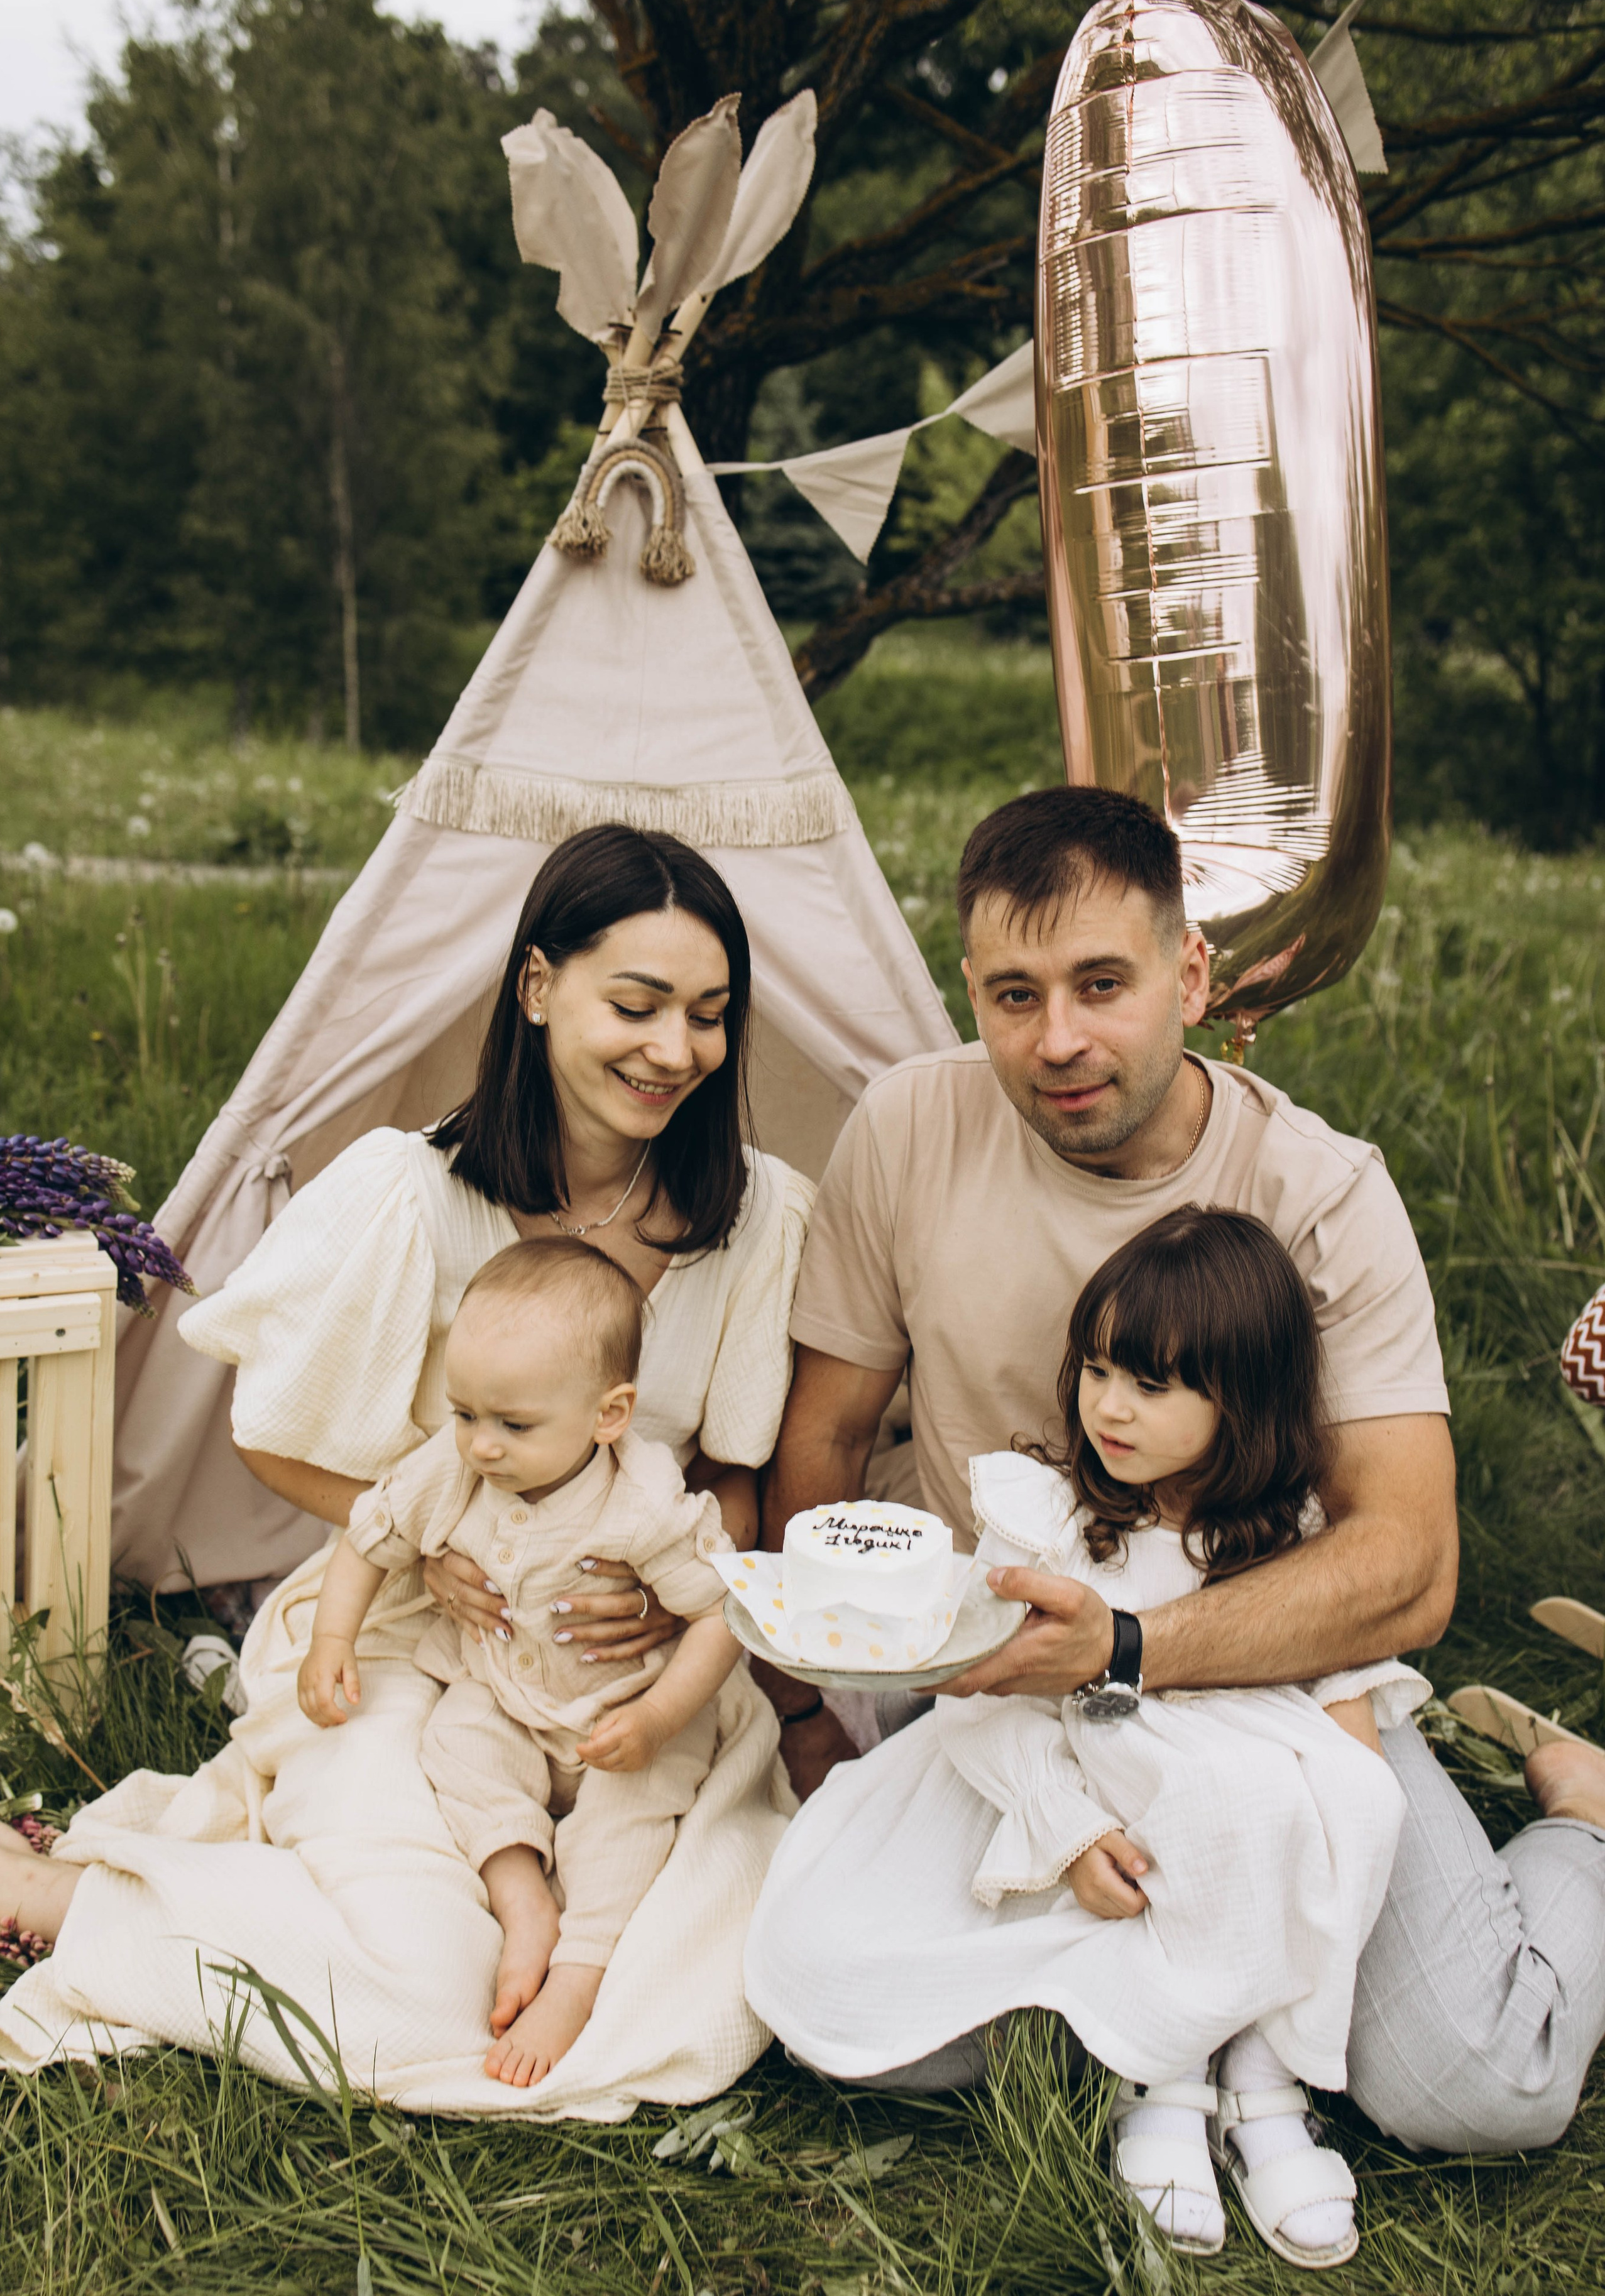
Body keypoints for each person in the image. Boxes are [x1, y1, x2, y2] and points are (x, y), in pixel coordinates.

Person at [757, 785, 1605, 2154]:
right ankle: (1205, 2023)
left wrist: (1126, 1647)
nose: (1059, 1040)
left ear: (1191, 972)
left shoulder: (1320, 1190)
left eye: (1102, 983)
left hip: (1262, 1684)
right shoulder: (907, 1128)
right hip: (995, 1695)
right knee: (850, 2024)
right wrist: (806, 1709)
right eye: (1012, 996)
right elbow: (822, 1444)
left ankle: (1577, 1818)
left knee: (1472, 2088)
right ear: (966, 991)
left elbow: (1407, 1564)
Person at [0, 825, 811, 2113]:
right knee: (436, 1981)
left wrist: (667, 1605)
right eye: (636, 1005)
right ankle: (70, 1899)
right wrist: (432, 1544)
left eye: (709, 1017)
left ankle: (506, 1923)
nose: (675, 1051)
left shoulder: (756, 1214)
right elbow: (273, 1433)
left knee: (694, 1965)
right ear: (539, 990)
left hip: (636, 1669)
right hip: (413, 1634)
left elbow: (735, 1478)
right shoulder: (410, 1193)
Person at [754, 1206, 1431, 2267]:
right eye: (1100, 1369)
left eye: (1152, 1385)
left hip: (1224, 1810)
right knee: (830, 1962)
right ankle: (1158, 2070)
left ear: (1241, 1398)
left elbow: (1347, 1720)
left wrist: (1346, 1809)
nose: (1109, 1407)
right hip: (1069, 1791)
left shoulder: (1284, 1544)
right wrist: (1063, 1830)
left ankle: (1260, 2082)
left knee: (1319, 1800)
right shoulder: (1053, 1522)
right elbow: (977, 1702)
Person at [299, 1235, 743, 2089]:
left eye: (513, 1425)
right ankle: (521, 1894)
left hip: (623, 1708)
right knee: (457, 1746)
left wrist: (656, 1720)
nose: (482, 1447)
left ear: (608, 1415)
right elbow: (369, 1540)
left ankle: (576, 1979)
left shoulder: (644, 1500)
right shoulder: (450, 1470)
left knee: (630, 1822)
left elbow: (724, 1612)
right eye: (465, 1414)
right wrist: (331, 1643)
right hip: (503, 1690)